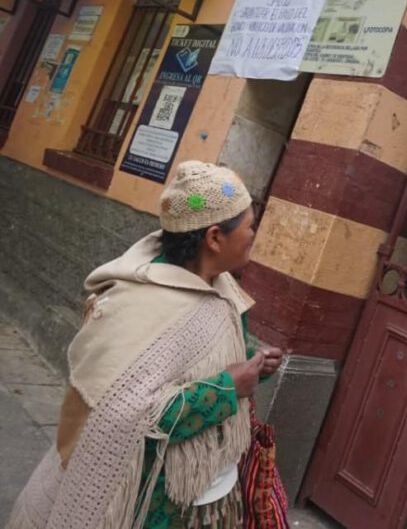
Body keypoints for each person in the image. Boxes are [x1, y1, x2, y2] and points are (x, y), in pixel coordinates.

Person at [8, 161, 283, 528]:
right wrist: (225, 390)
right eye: (251, 226)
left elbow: (200, 362)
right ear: (215, 238)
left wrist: (251, 365)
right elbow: (119, 415)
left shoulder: (222, 290)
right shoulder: (135, 304)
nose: (254, 235)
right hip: (151, 500)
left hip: (208, 490)